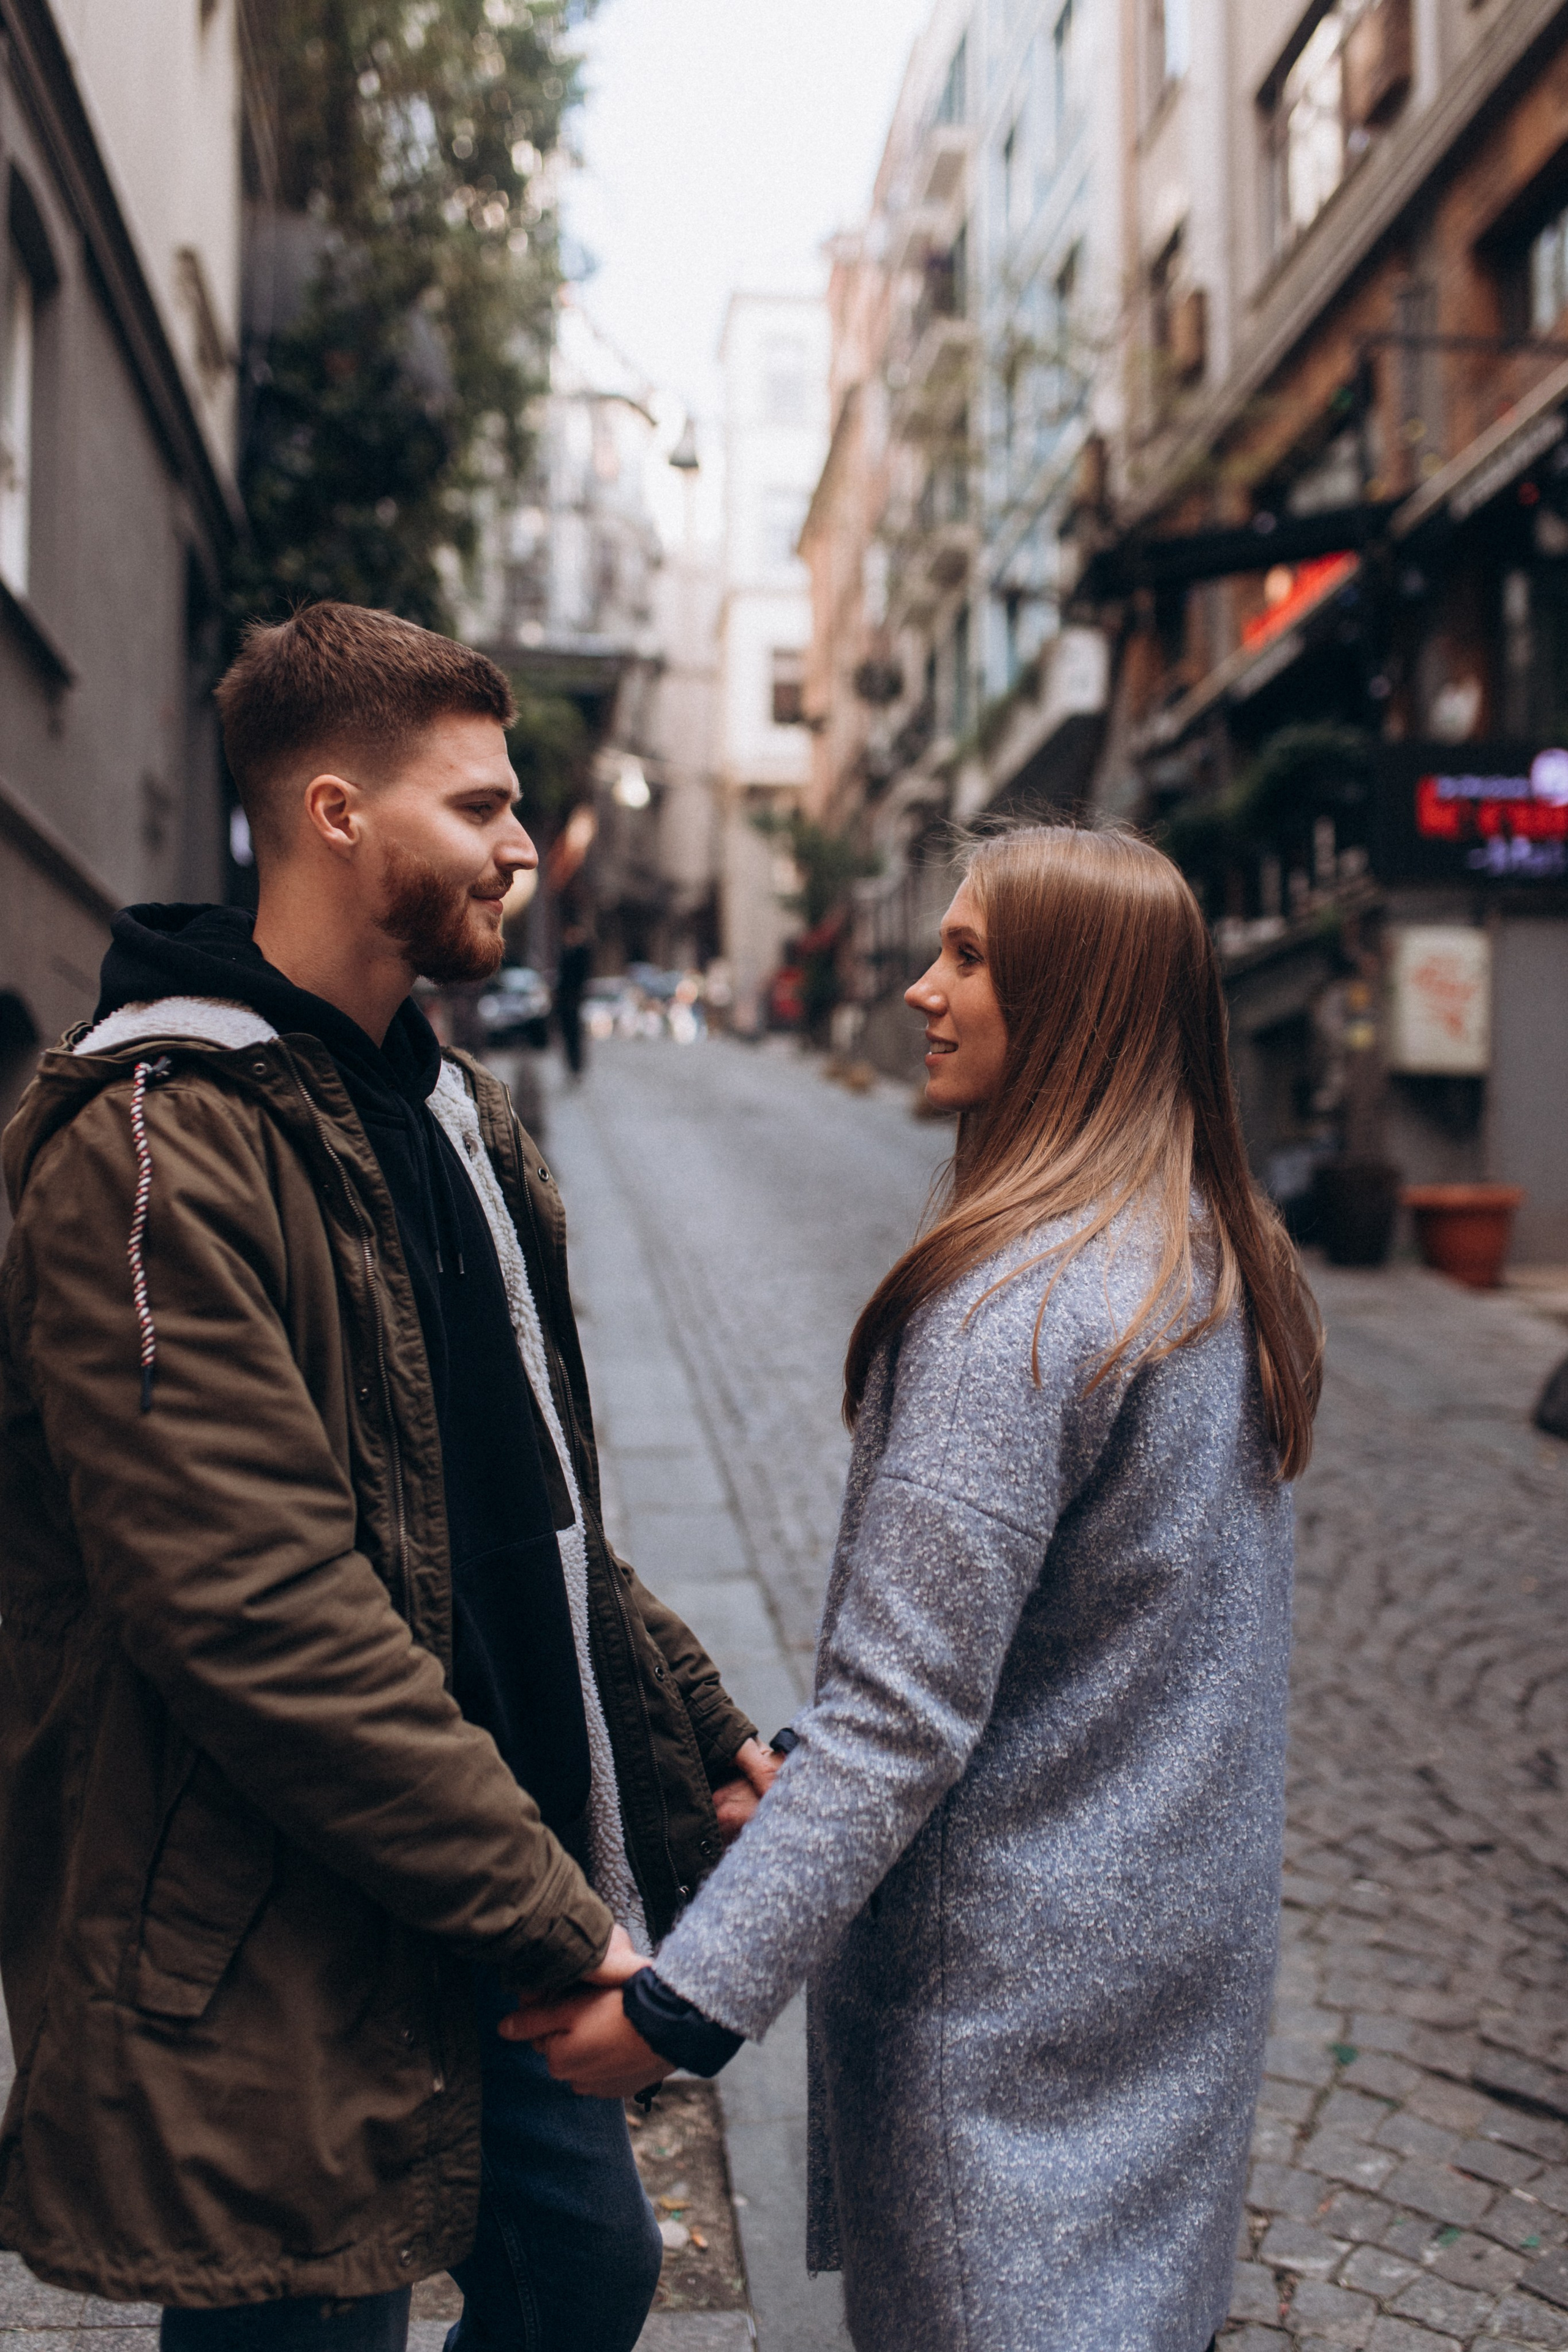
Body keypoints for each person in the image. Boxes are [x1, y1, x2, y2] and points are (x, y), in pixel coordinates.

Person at [0, 601, 780, 2352]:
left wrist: (694, 1713)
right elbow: (251, 1608)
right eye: (480, 806)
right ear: (337, 813)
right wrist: (554, 1914)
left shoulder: (451, 1115)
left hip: (469, 1858)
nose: (522, 846)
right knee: (308, 2323)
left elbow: (522, 1506)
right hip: (273, 1907)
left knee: (587, 2270)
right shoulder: (156, 1144)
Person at [509, 825, 1324, 2352]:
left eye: (966, 957)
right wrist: (799, 1775)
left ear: (1071, 1003)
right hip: (1164, 1989)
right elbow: (1097, 1645)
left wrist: (680, 2009)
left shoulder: (1015, 1311)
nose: (916, 989)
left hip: (1006, 2015)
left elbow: (898, 1721)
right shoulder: (1211, 1268)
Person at [555, 923, 592, 1080]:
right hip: (565, 1002)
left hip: (573, 1001)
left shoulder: (580, 954)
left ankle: (576, 1067)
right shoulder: (565, 953)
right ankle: (572, 1068)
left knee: (575, 1037)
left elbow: (580, 978)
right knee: (568, 1037)